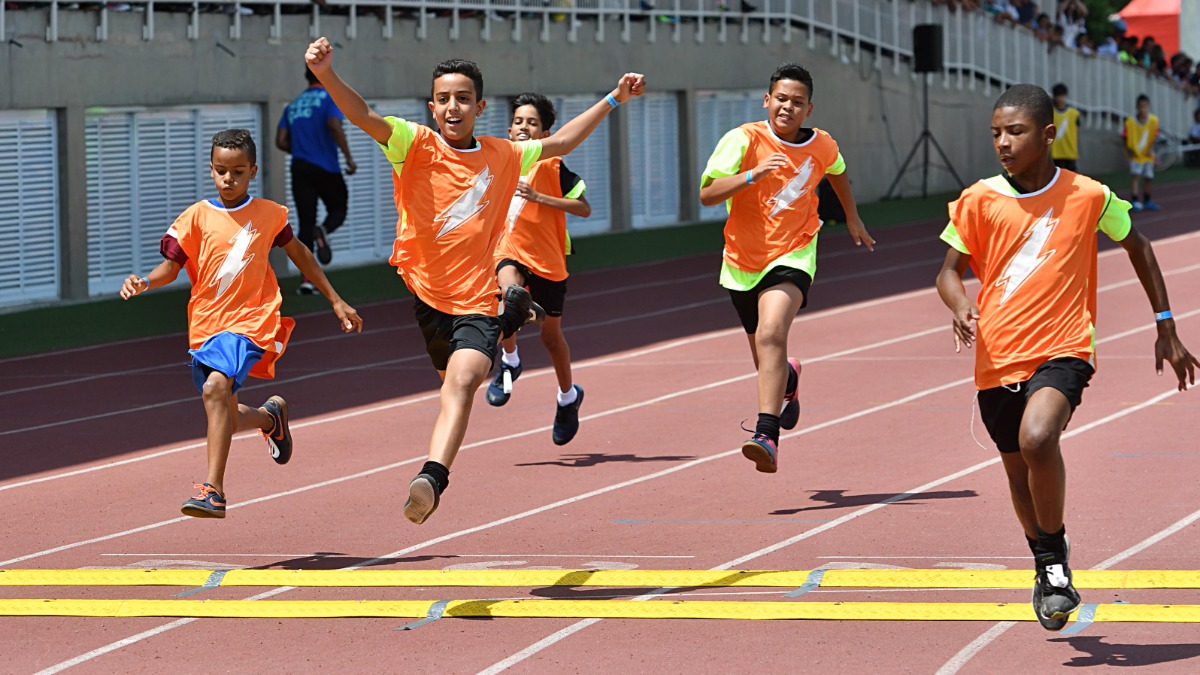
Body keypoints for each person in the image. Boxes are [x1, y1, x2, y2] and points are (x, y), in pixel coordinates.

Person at [303, 37, 645, 524]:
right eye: (443, 98)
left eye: (463, 98)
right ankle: (516, 311)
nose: (452, 106)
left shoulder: (504, 153)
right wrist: (326, 74)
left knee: (464, 383)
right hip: (426, 297)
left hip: (476, 300)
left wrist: (614, 98)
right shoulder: (412, 144)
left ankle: (431, 477)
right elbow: (363, 117)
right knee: (449, 389)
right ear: (432, 106)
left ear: (480, 107)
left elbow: (562, 142)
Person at [935, 84, 1197, 631]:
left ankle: (1053, 562)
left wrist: (1166, 325)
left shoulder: (1089, 195)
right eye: (995, 134)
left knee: (1037, 439)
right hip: (996, 356)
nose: (1002, 143)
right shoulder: (978, 198)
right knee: (1016, 471)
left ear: (1048, 134)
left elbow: (1139, 246)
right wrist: (960, 304)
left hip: (1064, 347)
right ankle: (1045, 559)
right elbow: (947, 272)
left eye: (1015, 132)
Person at [119, 129, 363, 518]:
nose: (228, 179)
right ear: (211, 170)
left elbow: (300, 254)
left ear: (252, 171)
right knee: (226, 416)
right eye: (220, 171)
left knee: (215, 390)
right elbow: (171, 267)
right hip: (206, 325)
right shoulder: (195, 217)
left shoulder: (268, 215)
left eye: (236, 171)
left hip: (251, 320)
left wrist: (335, 300)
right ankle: (271, 417)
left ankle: (213, 490)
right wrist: (145, 280)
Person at [698, 62, 874, 474]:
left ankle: (766, 434)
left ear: (808, 110)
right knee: (767, 359)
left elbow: (838, 172)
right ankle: (789, 381)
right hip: (742, 260)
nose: (787, 108)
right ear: (767, 100)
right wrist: (750, 175)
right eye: (781, 99)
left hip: (794, 251)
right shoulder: (742, 139)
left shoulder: (822, 145)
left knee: (773, 331)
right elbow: (707, 194)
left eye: (797, 102)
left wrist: (852, 216)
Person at [487, 93, 592, 446]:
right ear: (509, 128)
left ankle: (567, 398)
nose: (523, 127)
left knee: (551, 339)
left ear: (546, 133)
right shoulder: (500, 161)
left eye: (532, 123)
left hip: (548, 262)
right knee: (508, 297)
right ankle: (511, 360)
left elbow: (584, 208)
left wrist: (539, 197)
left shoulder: (553, 166)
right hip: (509, 252)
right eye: (518, 121)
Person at [276, 68, 358, 294]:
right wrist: (349, 157)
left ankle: (306, 280)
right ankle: (323, 229)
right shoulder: (329, 97)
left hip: (301, 168)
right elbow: (334, 124)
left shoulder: (294, 105)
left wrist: (303, 149)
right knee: (338, 209)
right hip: (327, 168)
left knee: (304, 222)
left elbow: (280, 140)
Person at [1123, 94, 1160, 211]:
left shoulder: (1153, 120)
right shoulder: (1130, 121)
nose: (1142, 109)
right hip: (1135, 155)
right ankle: (1134, 200)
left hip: (1148, 155)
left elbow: (1154, 136)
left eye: (1145, 106)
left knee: (1149, 177)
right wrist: (1129, 152)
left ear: (1148, 107)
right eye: (1140, 106)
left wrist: (1152, 150)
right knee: (1136, 176)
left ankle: (1147, 200)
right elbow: (1124, 137)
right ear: (1137, 107)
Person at [1050, 83, 1080, 172]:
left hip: (1070, 153)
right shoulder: (1050, 113)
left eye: (1062, 96)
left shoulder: (1074, 113)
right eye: (1058, 96)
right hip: (1054, 154)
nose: (1060, 99)